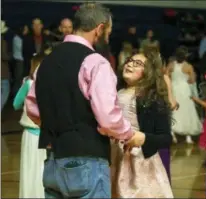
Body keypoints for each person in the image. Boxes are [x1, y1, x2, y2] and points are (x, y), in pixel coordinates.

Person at [25, 3, 145, 198]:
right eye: (108, 32)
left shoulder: (45, 62)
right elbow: (107, 117)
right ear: (99, 29)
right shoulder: (96, 62)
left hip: (53, 160)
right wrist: (128, 134)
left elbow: (33, 108)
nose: (108, 38)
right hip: (87, 160)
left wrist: (59, 123)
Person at [104, 51, 173, 198]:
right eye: (129, 61)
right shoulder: (117, 92)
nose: (130, 64)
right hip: (114, 156)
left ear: (148, 72)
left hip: (139, 161)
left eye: (138, 64)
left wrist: (143, 138)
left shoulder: (150, 98)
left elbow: (166, 138)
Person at [14, 54, 46, 198]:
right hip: (46, 134)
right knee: (43, 170)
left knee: (29, 170)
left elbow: (15, 104)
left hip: (30, 135)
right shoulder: (52, 85)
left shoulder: (28, 84)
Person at [169, 46, 202, 143]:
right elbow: (192, 80)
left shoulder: (171, 65)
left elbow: (166, 75)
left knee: (174, 110)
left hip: (174, 88)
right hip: (184, 89)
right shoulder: (188, 66)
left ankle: (172, 132)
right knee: (187, 110)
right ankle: (188, 137)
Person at [1, 21, 10, 111]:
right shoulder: (2, 42)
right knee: (5, 92)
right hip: (2, 71)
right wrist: (10, 56)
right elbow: (4, 56)